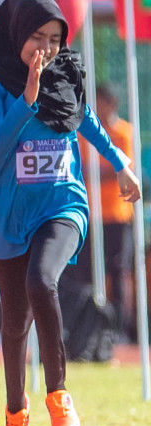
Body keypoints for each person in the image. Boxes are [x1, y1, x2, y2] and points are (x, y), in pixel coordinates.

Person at [0, 0, 140, 426]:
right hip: (11, 216)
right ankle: (15, 412)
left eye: (54, 38)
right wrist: (27, 96)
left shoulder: (66, 74)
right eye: (36, 38)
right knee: (13, 326)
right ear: (16, 37)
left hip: (62, 204)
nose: (46, 50)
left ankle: (58, 392)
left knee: (42, 279)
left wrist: (119, 162)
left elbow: (86, 119)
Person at [78, 83, 136, 334]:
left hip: (117, 215)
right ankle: (90, 328)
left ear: (112, 103)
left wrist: (102, 171)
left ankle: (119, 330)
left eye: (103, 101)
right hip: (91, 214)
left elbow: (122, 169)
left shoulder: (123, 132)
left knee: (118, 270)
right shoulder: (85, 132)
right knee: (87, 273)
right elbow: (80, 167)